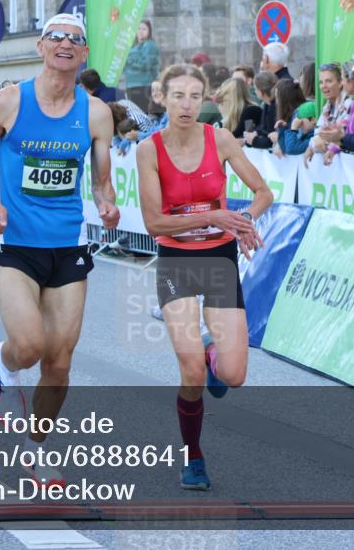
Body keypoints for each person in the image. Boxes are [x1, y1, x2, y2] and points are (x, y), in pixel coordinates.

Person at [0, 13, 119, 488]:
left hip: (68, 245)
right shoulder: (10, 101)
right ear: (42, 47)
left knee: (60, 362)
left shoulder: (95, 113)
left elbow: (101, 180)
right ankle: (4, 365)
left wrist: (106, 205)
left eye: (76, 38)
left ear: (84, 53)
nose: (66, 43)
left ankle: (35, 450)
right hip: (17, 244)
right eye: (56, 37)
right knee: (28, 347)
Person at [136, 63, 273, 490]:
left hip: (218, 260)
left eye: (195, 96)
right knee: (190, 371)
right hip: (176, 262)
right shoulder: (149, 150)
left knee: (233, 375)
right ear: (162, 97)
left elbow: (263, 192)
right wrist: (214, 213)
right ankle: (193, 456)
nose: (187, 105)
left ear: (205, 99)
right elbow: (155, 223)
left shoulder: (221, 140)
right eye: (178, 96)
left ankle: (216, 355)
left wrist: (244, 220)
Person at [269, 78, 315, 156]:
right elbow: (285, 148)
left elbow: (290, 149)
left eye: (277, 98)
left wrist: (293, 130)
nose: (276, 102)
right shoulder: (292, 118)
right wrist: (282, 129)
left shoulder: (305, 113)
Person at [124, 20, 160, 111]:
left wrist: (128, 60)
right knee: (135, 114)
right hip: (131, 85)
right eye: (138, 28)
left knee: (141, 113)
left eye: (144, 29)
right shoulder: (134, 46)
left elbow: (145, 65)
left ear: (149, 31)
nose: (140, 31)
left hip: (143, 85)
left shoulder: (150, 45)